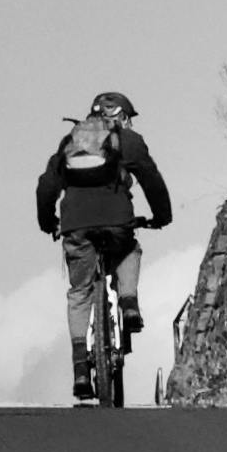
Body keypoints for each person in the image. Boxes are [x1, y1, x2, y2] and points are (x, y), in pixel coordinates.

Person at [36, 90, 175, 406]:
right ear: (123, 117)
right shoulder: (129, 141)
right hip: (117, 219)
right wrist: (161, 216)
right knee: (129, 250)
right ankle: (128, 303)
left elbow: (46, 186)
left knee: (79, 292)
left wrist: (50, 223)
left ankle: (81, 369)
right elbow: (151, 179)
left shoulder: (72, 140)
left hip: (75, 224)